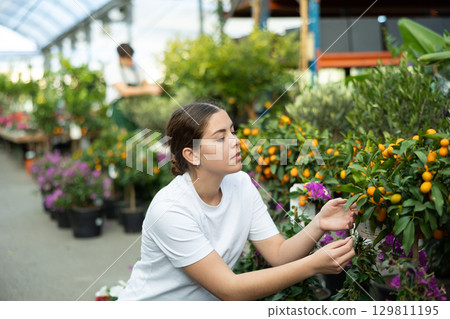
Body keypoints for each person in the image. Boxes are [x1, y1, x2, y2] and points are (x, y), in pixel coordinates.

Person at [118, 101, 357, 301]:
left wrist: (318, 223)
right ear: (192, 155)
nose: (235, 141)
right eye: (220, 138)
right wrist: (313, 265)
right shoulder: (171, 209)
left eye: (232, 131)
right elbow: (230, 289)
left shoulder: (241, 184)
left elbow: (278, 253)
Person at [104, 43, 162, 130]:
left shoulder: (136, 67)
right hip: (119, 109)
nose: (130, 61)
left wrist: (155, 88)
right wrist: (148, 90)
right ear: (120, 58)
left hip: (135, 109)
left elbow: (145, 84)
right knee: (122, 136)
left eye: (131, 57)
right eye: (127, 58)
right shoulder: (112, 68)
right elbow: (124, 91)